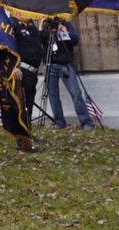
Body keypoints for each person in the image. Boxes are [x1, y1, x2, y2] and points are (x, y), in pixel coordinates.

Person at [41, 18, 94, 131]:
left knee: (76, 94)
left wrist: (65, 32)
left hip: (66, 65)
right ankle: (60, 123)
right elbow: (38, 41)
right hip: (50, 66)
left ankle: (86, 122)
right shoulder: (46, 26)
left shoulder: (66, 24)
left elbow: (75, 41)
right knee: (53, 96)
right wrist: (41, 26)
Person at [10, 13, 42, 152]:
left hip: (33, 71)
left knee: (28, 105)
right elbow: (8, 47)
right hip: (21, 71)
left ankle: (27, 133)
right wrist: (13, 67)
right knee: (21, 106)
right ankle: (21, 140)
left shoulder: (30, 26)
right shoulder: (12, 25)